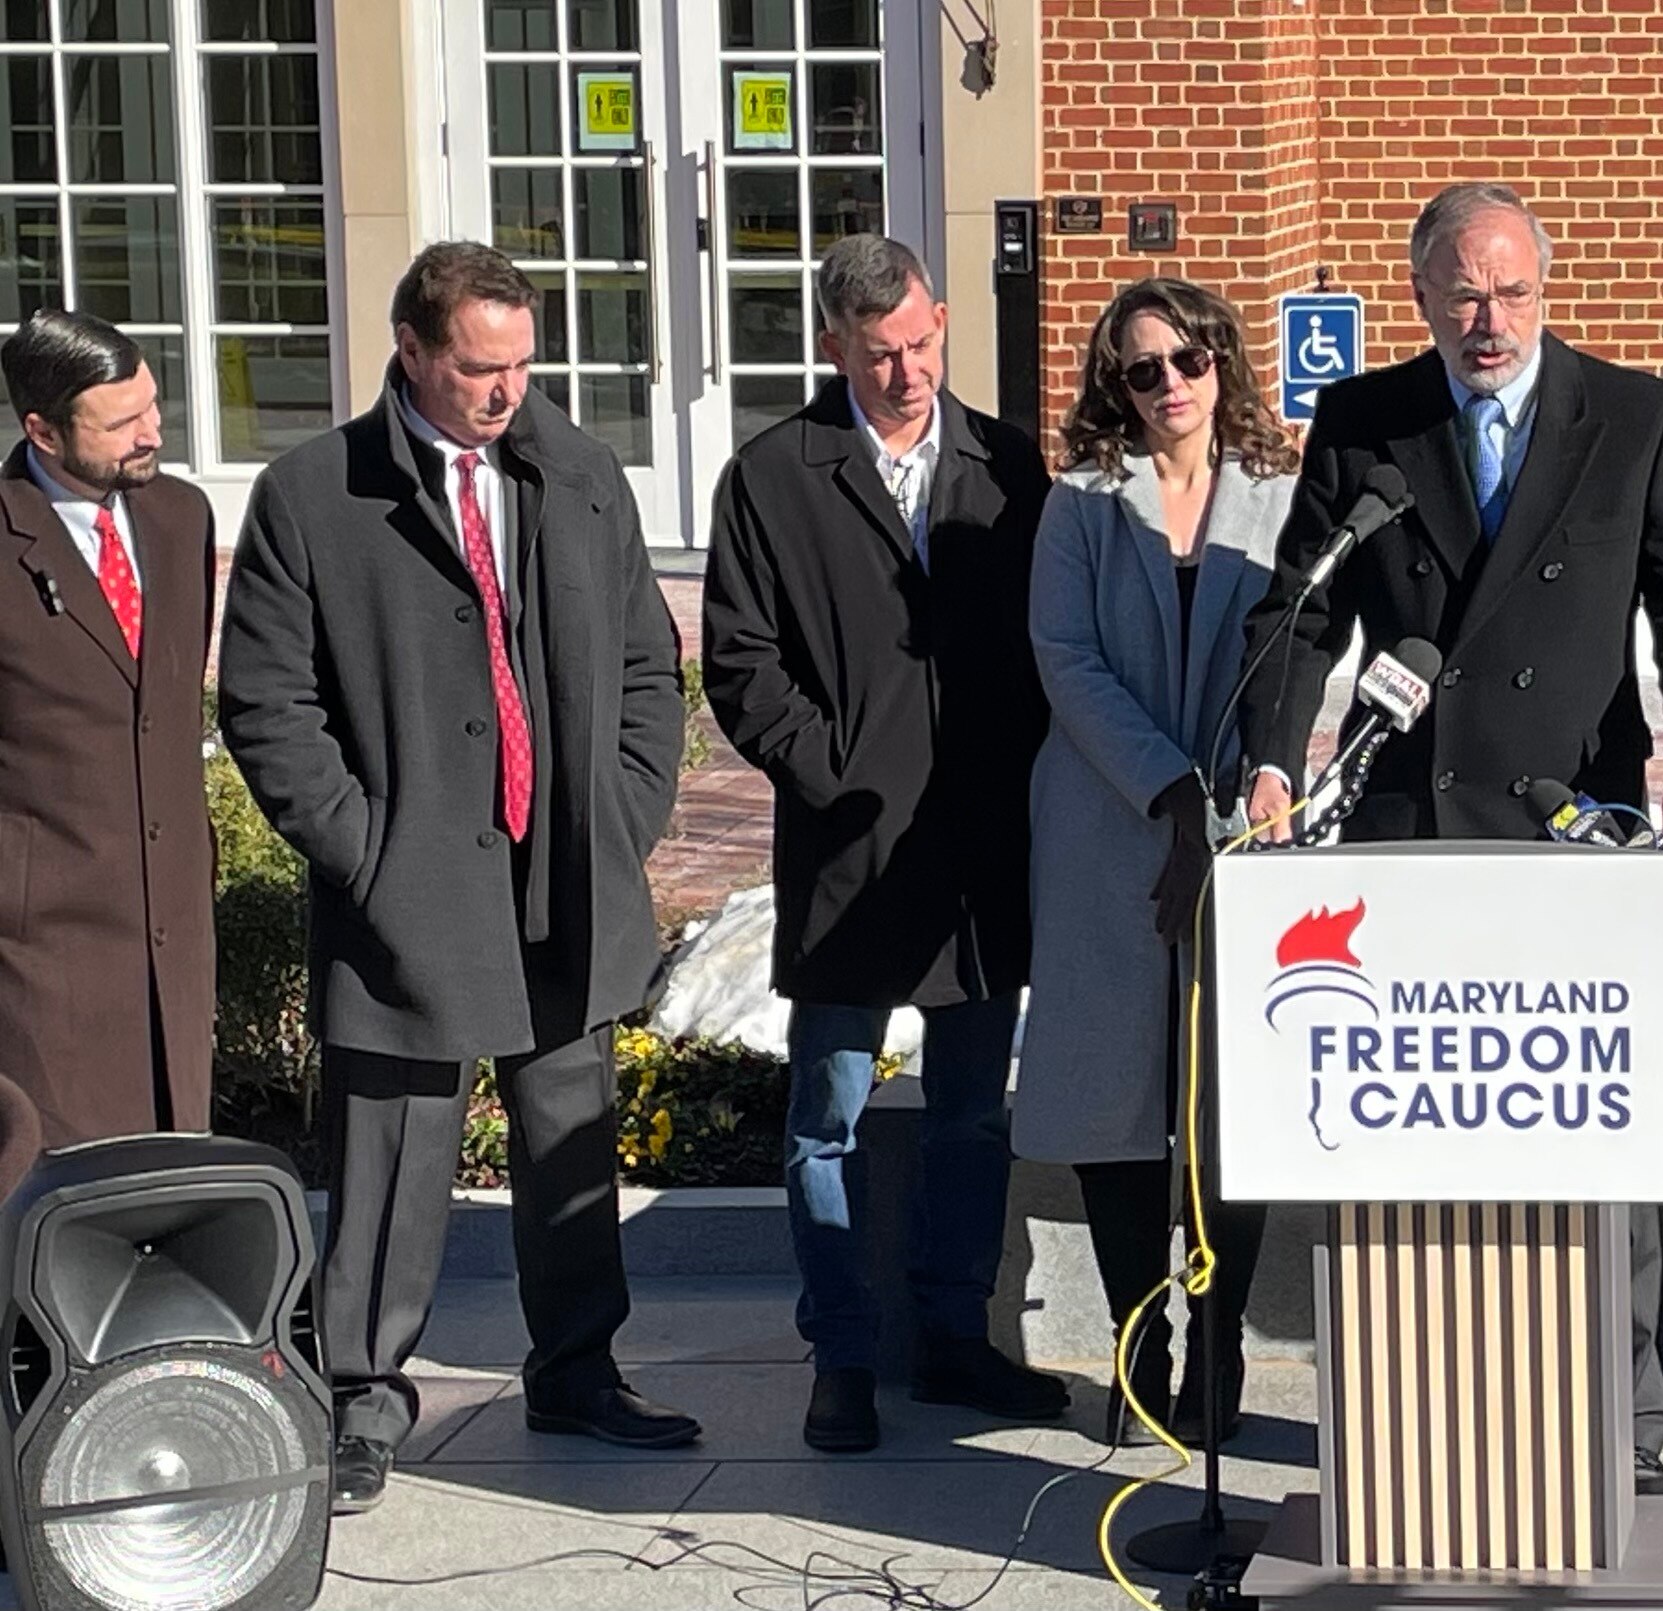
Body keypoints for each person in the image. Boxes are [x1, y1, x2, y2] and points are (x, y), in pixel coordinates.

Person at [1237, 181, 1663, 1496]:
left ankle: (1622, 1428)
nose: (1489, 321)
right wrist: (1271, 760)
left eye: (1512, 293)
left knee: (1592, 1128)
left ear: (1544, 290)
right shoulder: (1366, 421)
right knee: (1406, 1137)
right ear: (1419, 295)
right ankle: (1406, 1428)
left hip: (1567, 832)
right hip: (1406, 834)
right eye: (1463, 295)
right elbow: (1300, 613)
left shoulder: (1637, 418)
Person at [220, 242, 698, 1514]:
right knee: (388, 1156)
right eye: (480, 368)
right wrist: (363, 850)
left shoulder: (580, 474)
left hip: (567, 871)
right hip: (408, 890)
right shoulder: (314, 492)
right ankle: (361, 1399)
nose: (506, 391)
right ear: (413, 352)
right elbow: (266, 702)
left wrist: (621, 814)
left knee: (570, 1142)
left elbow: (648, 666)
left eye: (522, 365)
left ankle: (579, 1372)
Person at [702, 233, 1068, 1454]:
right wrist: (834, 773)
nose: (906, 372)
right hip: (850, 856)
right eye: (877, 355)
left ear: (941, 320)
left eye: (918, 344)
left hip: (980, 857)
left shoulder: (1008, 464)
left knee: (972, 1117)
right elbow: (742, 663)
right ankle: (844, 1355)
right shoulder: (772, 475)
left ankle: (954, 1338)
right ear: (831, 347)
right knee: (828, 1121)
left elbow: (1048, 643)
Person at [1016, 276, 1298, 1447]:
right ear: (1115, 387)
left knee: (1231, 1104)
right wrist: (1164, 782)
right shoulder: (1081, 500)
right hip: (1103, 825)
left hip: (1241, 827)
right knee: (1117, 1105)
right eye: (1142, 369)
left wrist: (1244, 777)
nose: (1170, 384)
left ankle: (1217, 1348)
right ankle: (1141, 1352)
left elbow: (1302, 651)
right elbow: (1063, 656)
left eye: (1188, 359)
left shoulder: (1281, 496)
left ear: (1221, 361)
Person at [0, 310, 216, 1151]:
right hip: (41, 953)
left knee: (169, 1182)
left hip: (173, 936)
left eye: (152, 406)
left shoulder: (181, 518)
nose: (150, 433)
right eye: (120, 422)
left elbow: (162, 709)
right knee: (55, 1193)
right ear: (43, 432)